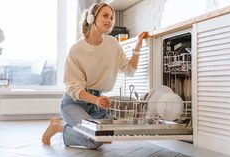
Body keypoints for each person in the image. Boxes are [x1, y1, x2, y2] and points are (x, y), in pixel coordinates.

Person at [42, 2, 149, 149]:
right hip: (74, 103)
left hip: (98, 103)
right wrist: (96, 100)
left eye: (111, 17)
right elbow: (73, 89)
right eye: (105, 16)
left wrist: (137, 48)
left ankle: (96, 130)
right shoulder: (77, 50)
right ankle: (58, 127)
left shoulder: (113, 44)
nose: (109, 21)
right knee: (94, 141)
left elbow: (130, 70)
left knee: (129, 105)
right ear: (92, 18)